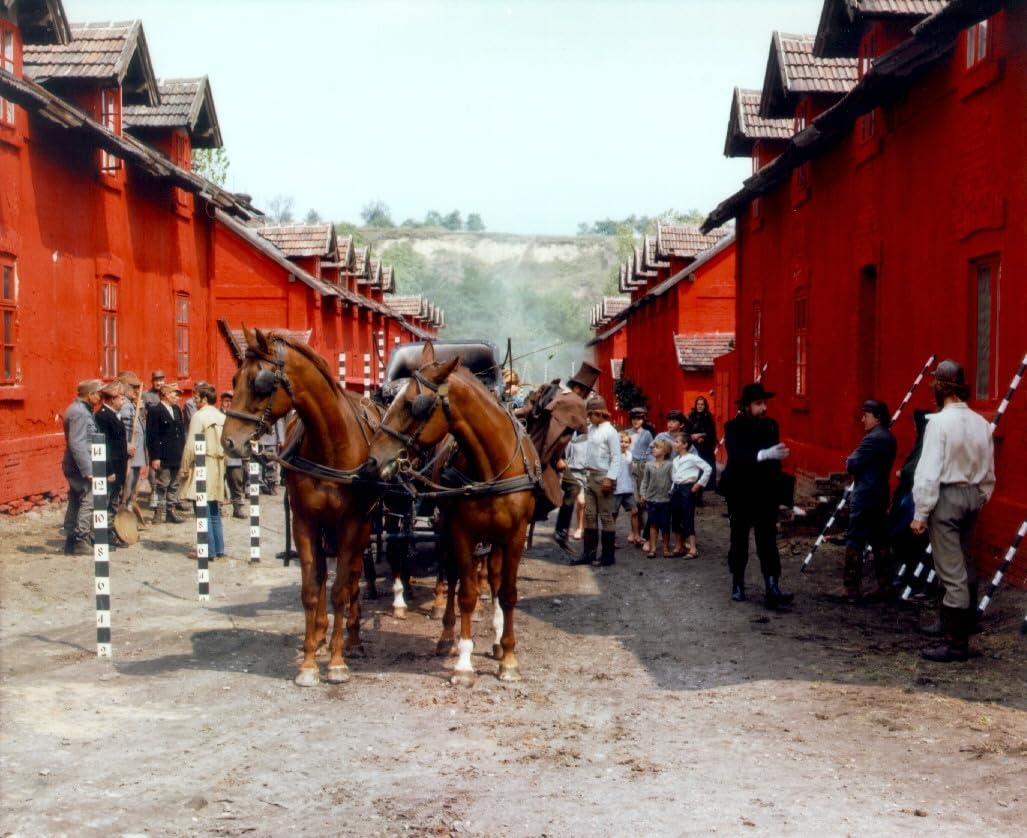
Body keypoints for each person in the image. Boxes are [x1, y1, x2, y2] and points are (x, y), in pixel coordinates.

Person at [911, 359, 995, 663]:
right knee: (965, 560)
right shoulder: (981, 423)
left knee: (950, 568)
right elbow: (989, 469)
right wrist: (981, 495)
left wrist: (920, 513)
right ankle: (959, 622)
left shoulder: (938, 423)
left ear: (940, 387)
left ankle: (956, 642)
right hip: (972, 495)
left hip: (946, 496)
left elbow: (928, 472)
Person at [720, 382, 794, 608]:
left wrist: (780, 494)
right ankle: (738, 583)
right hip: (740, 492)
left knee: (767, 540)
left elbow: (774, 464)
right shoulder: (733, 427)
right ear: (746, 406)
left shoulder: (771, 426)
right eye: (758, 403)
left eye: (764, 403)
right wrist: (763, 454)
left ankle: (772, 587)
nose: (764, 408)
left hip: (764, 492)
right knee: (739, 539)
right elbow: (736, 455)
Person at [516, 361, 597, 550]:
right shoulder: (573, 401)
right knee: (570, 489)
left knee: (566, 488)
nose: (585, 397)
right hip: (544, 456)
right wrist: (555, 459)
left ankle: (541, 523)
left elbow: (526, 411)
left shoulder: (551, 389)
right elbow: (556, 436)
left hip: (530, 448)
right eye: (586, 392)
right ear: (579, 388)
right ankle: (558, 530)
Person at [828, 399, 897, 603]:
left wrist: (849, 461)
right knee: (880, 539)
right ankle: (885, 585)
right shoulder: (889, 437)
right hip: (880, 494)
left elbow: (852, 463)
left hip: (865, 495)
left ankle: (851, 588)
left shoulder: (872, 439)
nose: (862, 419)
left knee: (855, 539)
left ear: (877, 417)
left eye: (866, 415)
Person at [179, 383, 229, 560]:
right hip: (218, 464)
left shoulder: (199, 416)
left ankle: (207, 550)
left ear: (204, 399)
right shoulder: (222, 416)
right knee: (213, 509)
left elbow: (190, 446)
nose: (194, 400)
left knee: (202, 509)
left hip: (203, 463)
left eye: (196, 397)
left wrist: (184, 469)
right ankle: (218, 548)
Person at [573, 395, 621, 567]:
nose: (589, 418)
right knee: (590, 515)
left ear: (599, 413)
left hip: (603, 476)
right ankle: (589, 554)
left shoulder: (610, 432)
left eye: (591, 414)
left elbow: (616, 457)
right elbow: (577, 440)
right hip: (590, 475)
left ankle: (608, 556)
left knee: (606, 516)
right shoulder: (591, 429)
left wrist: (610, 478)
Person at [61, 379, 101, 555]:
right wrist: (88, 470)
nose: (100, 397)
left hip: (74, 464)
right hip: (80, 466)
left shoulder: (79, 409)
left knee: (75, 500)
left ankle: (71, 541)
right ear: (90, 394)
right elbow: (77, 443)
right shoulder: (80, 413)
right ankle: (80, 540)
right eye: (98, 393)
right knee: (88, 500)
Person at [146, 381, 187, 524]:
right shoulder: (155, 411)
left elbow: (180, 432)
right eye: (175, 394)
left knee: (174, 485)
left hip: (176, 454)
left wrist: (182, 451)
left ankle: (171, 511)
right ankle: (158, 512)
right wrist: (155, 457)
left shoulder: (176, 409)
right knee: (161, 485)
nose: (177, 397)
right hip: (163, 455)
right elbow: (152, 436)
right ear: (165, 395)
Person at [670, 432, 712, 558]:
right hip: (676, 489)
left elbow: (708, 468)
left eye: (677, 442)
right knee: (676, 517)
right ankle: (679, 546)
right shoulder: (675, 460)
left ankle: (693, 548)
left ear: (685, 445)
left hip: (687, 489)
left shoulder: (693, 458)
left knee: (687, 517)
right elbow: (674, 477)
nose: (674, 444)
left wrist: (699, 484)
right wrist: (672, 490)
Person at [93, 381, 128, 521]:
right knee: (107, 500)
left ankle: (113, 526)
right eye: (121, 399)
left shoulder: (114, 414)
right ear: (112, 399)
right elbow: (104, 445)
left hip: (119, 465)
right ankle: (106, 528)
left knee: (114, 498)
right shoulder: (103, 416)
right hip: (111, 466)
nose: (123, 402)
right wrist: (109, 470)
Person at [117, 370, 147, 525]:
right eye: (133, 387)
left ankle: (128, 516)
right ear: (124, 387)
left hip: (136, 455)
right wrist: (127, 446)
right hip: (130, 455)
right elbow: (124, 430)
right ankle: (123, 518)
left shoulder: (131, 405)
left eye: (137, 387)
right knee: (127, 489)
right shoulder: (125, 407)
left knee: (131, 489)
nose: (136, 390)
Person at [640, 438, 673, 558]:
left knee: (665, 525)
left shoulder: (670, 465)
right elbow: (645, 481)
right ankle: (653, 548)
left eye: (657, 447)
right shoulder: (649, 465)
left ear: (665, 451)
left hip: (666, 500)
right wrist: (643, 494)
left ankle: (665, 548)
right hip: (652, 499)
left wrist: (671, 493)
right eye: (653, 447)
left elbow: (673, 481)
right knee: (653, 524)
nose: (654, 449)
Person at [626, 406, 653, 546]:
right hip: (630, 467)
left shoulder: (647, 434)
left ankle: (641, 530)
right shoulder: (626, 433)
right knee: (633, 501)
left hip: (643, 466)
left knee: (643, 501)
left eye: (639, 419)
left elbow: (650, 451)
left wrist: (650, 467)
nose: (636, 421)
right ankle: (633, 531)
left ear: (643, 420)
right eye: (634, 419)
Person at [220, 391, 248, 518]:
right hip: (221, 455)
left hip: (234, 456)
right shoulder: (217, 415)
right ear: (221, 402)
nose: (228, 404)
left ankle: (238, 508)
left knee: (237, 482)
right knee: (219, 483)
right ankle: (219, 508)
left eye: (231, 401)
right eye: (226, 401)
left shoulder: (238, 417)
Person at [686, 395, 718, 499]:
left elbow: (712, 434)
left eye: (702, 404)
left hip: (705, 449)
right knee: (693, 470)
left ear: (705, 406)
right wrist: (694, 438)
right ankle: (692, 494)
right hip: (692, 447)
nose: (700, 406)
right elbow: (686, 433)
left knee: (703, 470)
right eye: (698, 404)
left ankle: (700, 494)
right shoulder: (691, 417)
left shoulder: (708, 417)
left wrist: (701, 436)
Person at [143, 370, 165, 514]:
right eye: (156, 380)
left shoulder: (167, 393)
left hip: (165, 434)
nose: (159, 382)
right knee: (153, 464)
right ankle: (154, 493)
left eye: (161, 380)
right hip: (152, 433)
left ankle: (165, 497)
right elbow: (142, 414)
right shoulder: (146, 395)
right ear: (152, 381)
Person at [611, 432, 637, 540]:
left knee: (634, 511)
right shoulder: (613, 454)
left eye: (626, 442)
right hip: (616, 489)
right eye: (621, 441)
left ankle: (636, 535)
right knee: (614, 514)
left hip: (627, 488)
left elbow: (630, 471)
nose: (624, 444)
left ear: (629, 443)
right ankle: (611, 538)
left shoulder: (630, 455)